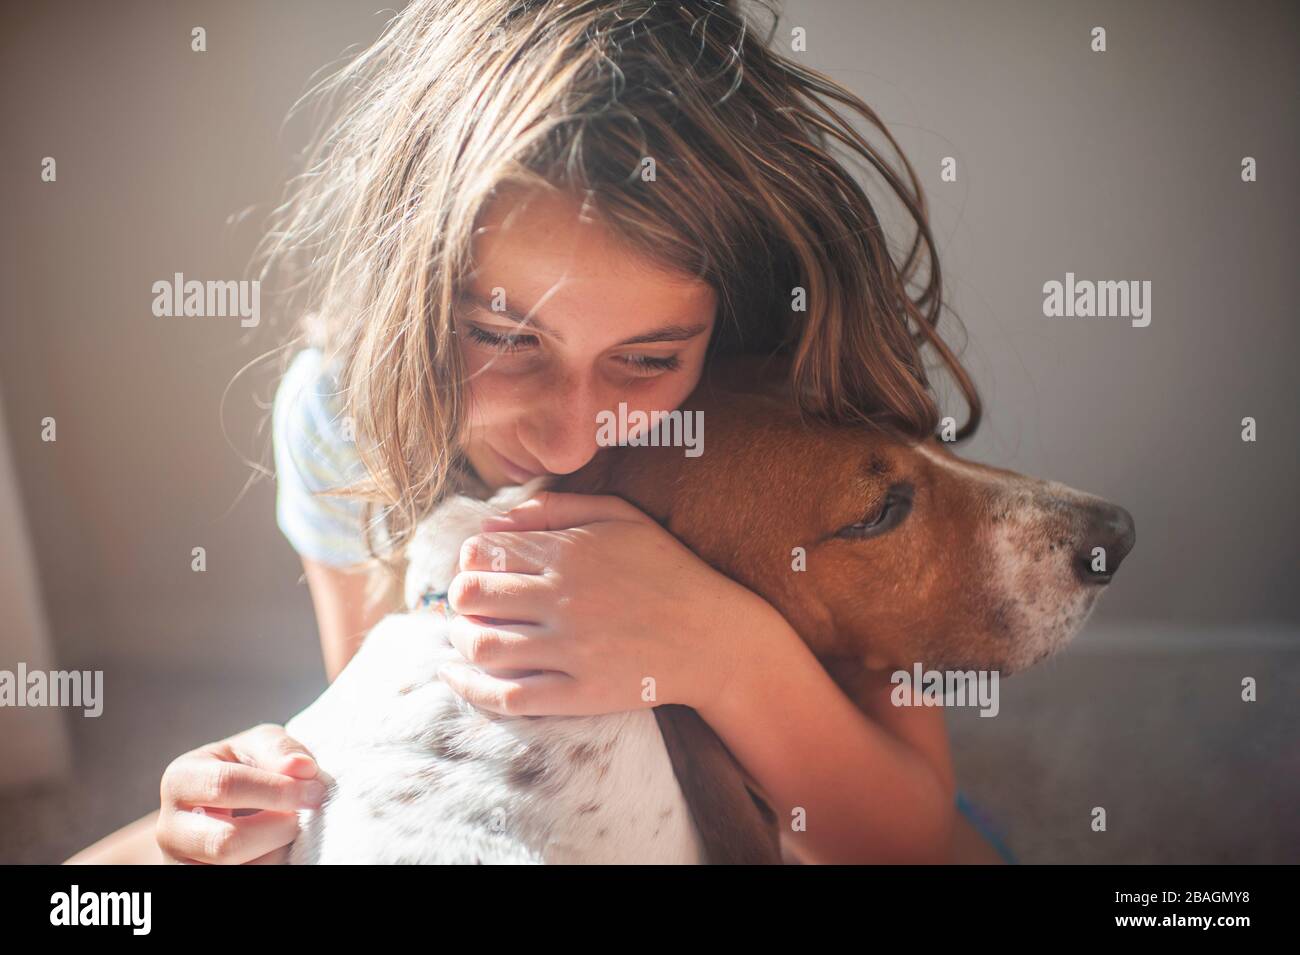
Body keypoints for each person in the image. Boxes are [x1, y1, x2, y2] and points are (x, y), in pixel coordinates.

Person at [67, 0, 1009, 865]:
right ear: (417, 294)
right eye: (505, 339)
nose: (569, 439)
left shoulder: (782, 400)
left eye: (646, 359)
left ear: (725, 331)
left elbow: (913, 835)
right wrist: (236, 790)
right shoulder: (341, 411)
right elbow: (377, 703)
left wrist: (721, 648)